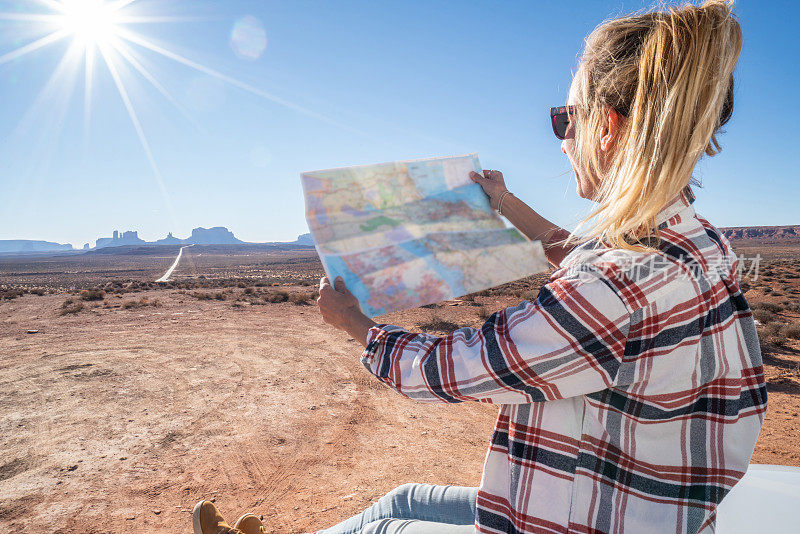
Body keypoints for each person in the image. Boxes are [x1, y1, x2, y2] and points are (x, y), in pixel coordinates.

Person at [192, 0, 767, 532]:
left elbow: (463, 365)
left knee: (382, 526)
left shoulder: (613, 286)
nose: (564, 141)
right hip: (648, 503)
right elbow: (588, 261)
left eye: (566, 119)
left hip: (590, 513)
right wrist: (505, 200)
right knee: (402, 500)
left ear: (608, 130)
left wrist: (358, 327)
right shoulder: (696, 245)